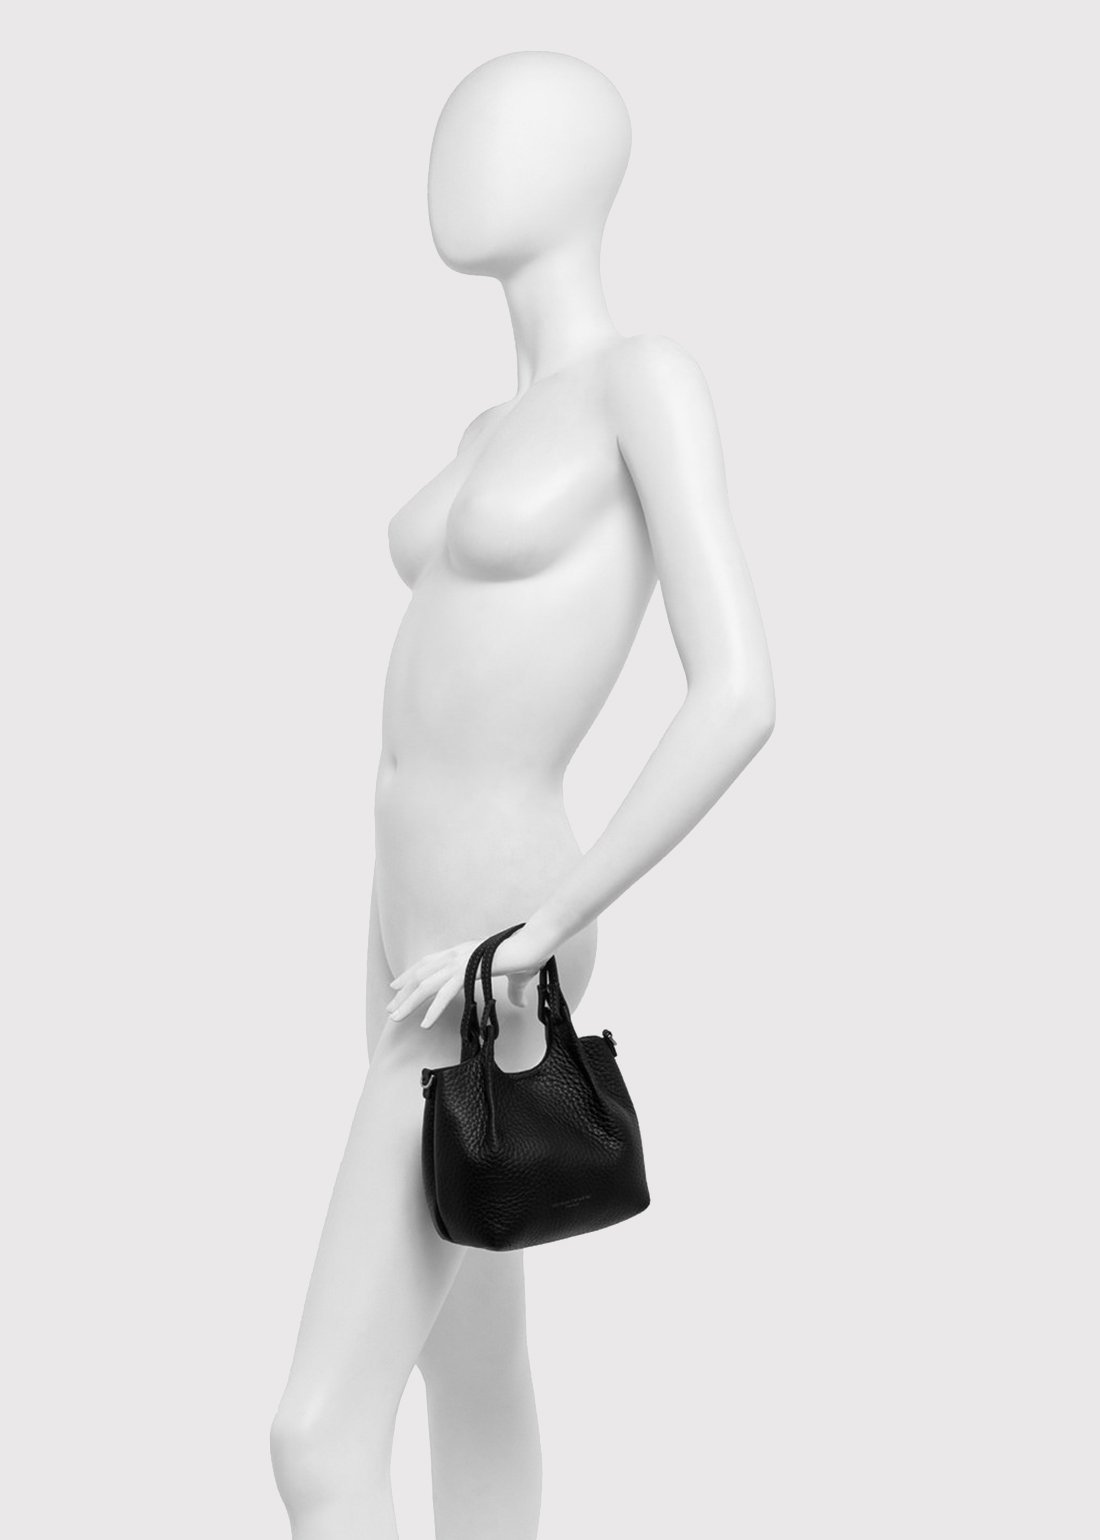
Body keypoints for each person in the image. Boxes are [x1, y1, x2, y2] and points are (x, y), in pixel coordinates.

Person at [270, 49, 776, 1540]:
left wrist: (541, 930)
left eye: (499, 128)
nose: (456, 152)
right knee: (470, 1365)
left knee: (317, 1433)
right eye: (452, 125)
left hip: (490, 932)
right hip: (400, 918)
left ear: (588, 171)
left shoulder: (643, 384)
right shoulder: (487, 433)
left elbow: (738, 693)